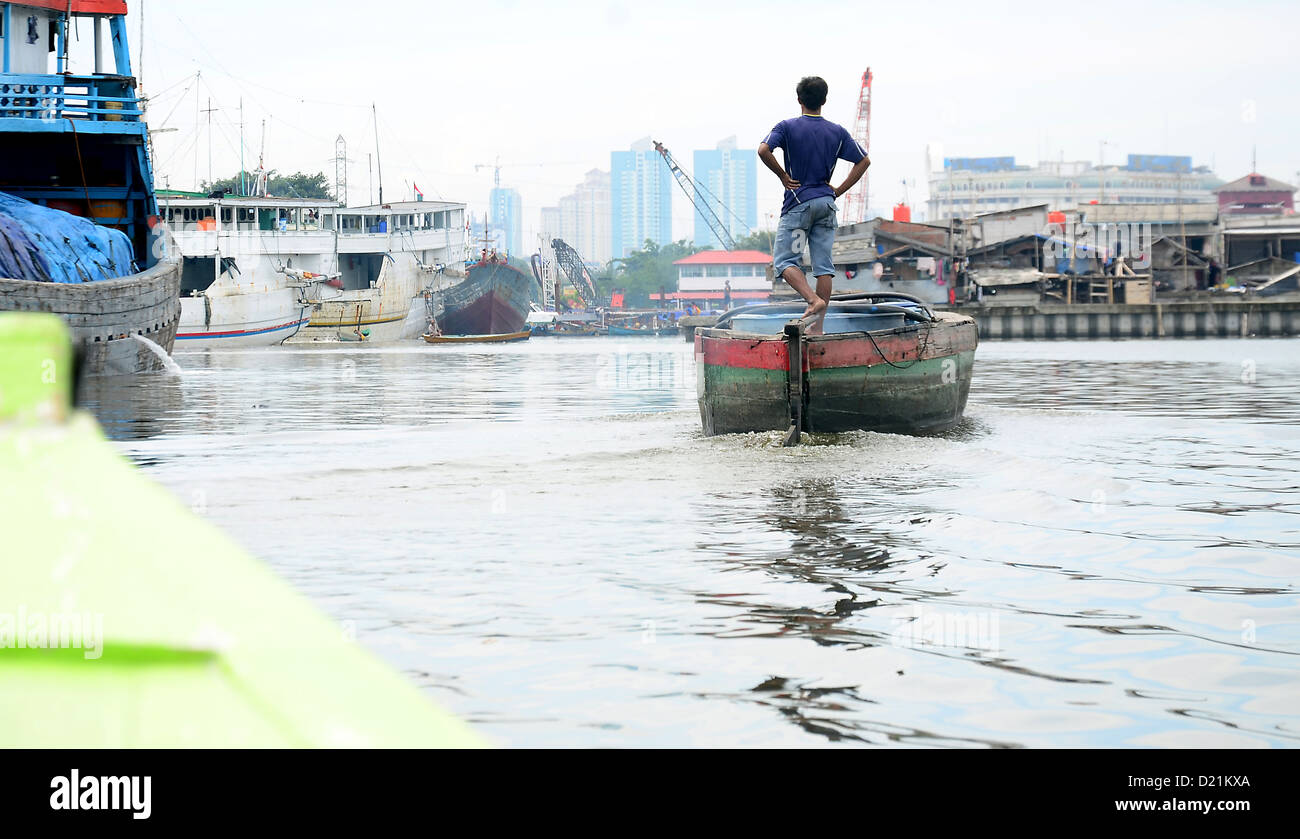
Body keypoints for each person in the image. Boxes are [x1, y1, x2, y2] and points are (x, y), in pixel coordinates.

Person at [758, 76, 871, 334]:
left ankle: (812, 300)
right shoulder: (837, 132)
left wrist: (783, 177)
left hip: (799, 206)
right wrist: (839, 190)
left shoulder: (786, 127)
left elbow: (764, 150)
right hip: (826, 206)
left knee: (785, 261)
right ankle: (818, 329)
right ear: (824, 100)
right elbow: (864, 161)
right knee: (824, 267)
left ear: (799, 100)